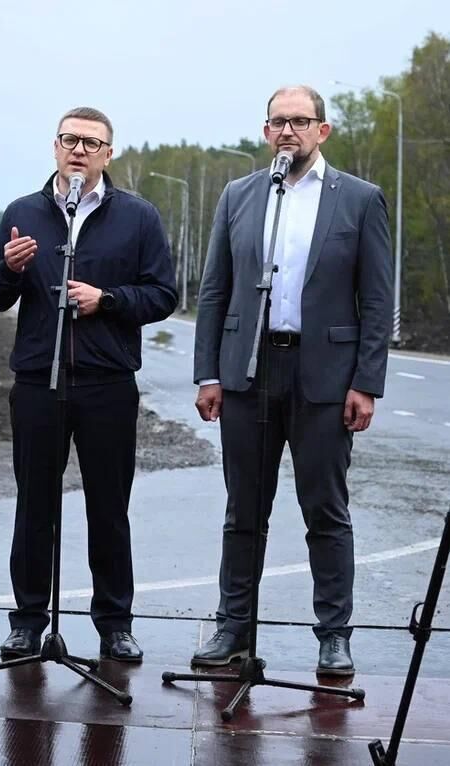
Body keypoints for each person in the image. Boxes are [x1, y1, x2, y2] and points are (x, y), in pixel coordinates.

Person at [192, 85, 392, 676]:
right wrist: (209, 373)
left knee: (325, 511)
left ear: (322, 131)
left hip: (326, 377)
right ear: (265, 132)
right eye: (278, 122)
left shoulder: (358, 199)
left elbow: (377, 300)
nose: (288, 132)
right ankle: (234, 628)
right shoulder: (241, 195)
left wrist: (367, 381)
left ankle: (333, 634)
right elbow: (214, 291)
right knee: (243, 511)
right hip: (249, 373)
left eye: (300, 122)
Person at [0, 106, 177, 664]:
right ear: (54, 147)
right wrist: (11, 270)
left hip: (107, 383)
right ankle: (27, 620)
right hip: (38, 381)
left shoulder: (137, 217)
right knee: (33, 505)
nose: (79, 151)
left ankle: (114, 623)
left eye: (92, 143)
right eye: (70, 140)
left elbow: (163, 294)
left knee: (108, 508)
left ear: (109, 155)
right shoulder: (25, 212)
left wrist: (107, 300)